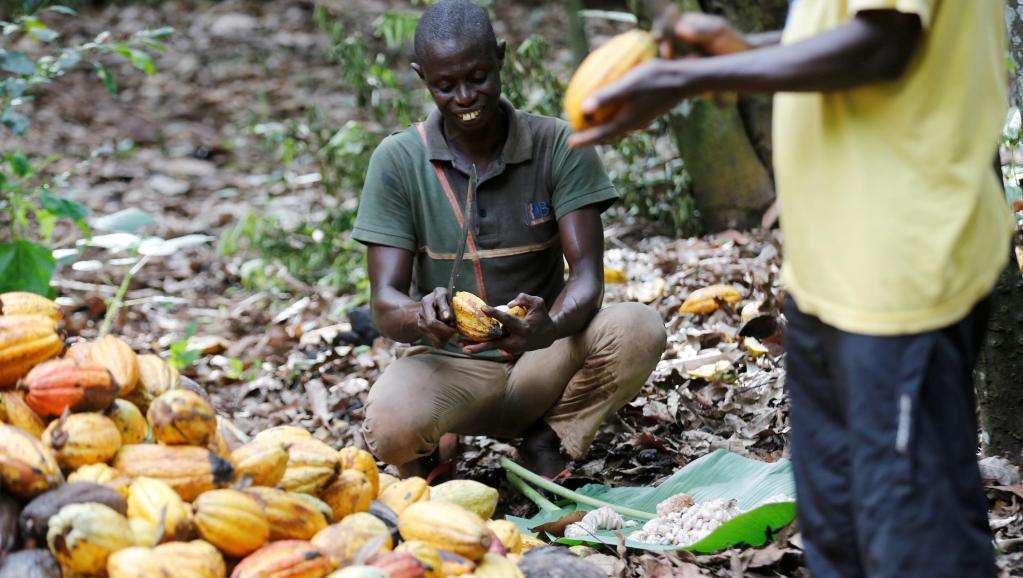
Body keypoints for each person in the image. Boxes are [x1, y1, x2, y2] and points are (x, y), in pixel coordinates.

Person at [570, 2, 1011, 577]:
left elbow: (885, 46)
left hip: (899, 281)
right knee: (836, 536)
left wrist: (686, 77)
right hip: (828, 275)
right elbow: (845, 36)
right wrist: (743, 51)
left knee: (915, 543)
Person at [352, 0, 667, 480]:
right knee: (390, 427)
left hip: (543, 355)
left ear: (501, 57)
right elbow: (383, 303)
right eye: (445, 85)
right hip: (451, 364)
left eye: (478, 77)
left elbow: (586, 278)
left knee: (638, 327)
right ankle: (434, 453)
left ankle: (552, 437)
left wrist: (552, 323)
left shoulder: (558, 144)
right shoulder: (398, 161)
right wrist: (421, 315)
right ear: (422, 79)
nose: (465, 96)